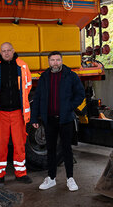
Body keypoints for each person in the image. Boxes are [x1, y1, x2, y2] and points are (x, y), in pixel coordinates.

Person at [31, 51, 85, 191]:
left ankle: (70, 179)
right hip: (49, 120)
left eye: (58, 60)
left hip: (65, 119)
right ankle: (51, 178)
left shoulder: (71, 76)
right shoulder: (44, 77)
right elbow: (37, 98)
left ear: (62, 61)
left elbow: (80, 94)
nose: (55, 63)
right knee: (51, 149)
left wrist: (69, 107)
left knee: (67, 149)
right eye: (53, 60)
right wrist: (34, 117)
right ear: (48, 62)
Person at [0, 42, 33, 184]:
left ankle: (21, 174)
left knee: (19, 144)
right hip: (1, 113)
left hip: (18, 112)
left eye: (8, 50)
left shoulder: (22, 66)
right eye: (3, 51)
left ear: (13, 50)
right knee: (0, 145)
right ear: (0, 52)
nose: (6, 53)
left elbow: (28, 86)